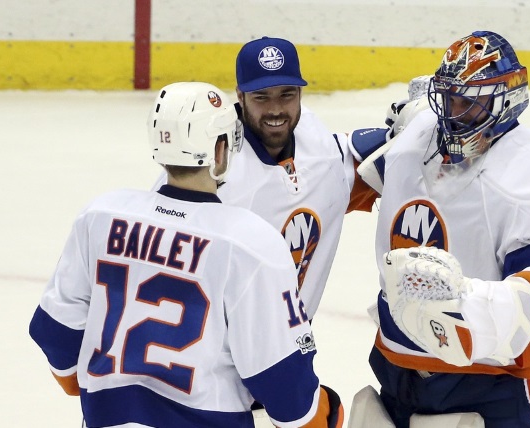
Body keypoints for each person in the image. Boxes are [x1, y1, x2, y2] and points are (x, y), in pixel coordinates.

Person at [29, 82, 343, 428]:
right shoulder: (250, 242)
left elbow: (55, 330)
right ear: (221, 150)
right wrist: (325, 413)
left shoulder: (101, 215)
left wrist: (83, 382)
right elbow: (286, 391)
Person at [349, 31, 530, 428]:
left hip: (499, 386)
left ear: (506, 102)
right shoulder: (419, 133)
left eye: (469, 103)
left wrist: (463, 307)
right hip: (401, 374)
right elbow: (340, 178)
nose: (453, 115)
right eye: (448, 99)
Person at [153, 36, 380, 321]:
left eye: (286, 94)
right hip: (220, 351)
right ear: (239, 95)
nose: (275, 110)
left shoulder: (315, 139)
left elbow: (357, 161)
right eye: (261, 97)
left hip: (291, 344)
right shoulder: (208, 170)